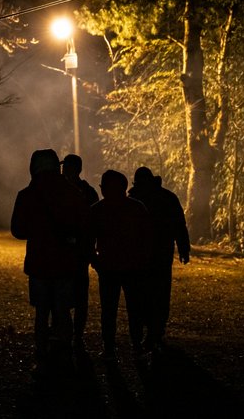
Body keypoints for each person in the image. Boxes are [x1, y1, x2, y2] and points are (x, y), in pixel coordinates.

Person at [11, 149, 89, 375]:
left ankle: (42, 354)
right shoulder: (72, 193)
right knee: (63, 311)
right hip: (65, 262)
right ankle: (63, 354)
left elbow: (18, 230)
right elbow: (84, 226)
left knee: (41, 311)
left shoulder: (27, 195)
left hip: (38, 262)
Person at [88, 169, 154, 360]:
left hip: (109, 268)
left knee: (109, 309)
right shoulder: (137, 208)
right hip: (132, 268)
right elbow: (147, 239)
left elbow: (88, 240)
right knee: (134, 308)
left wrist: (95, 261)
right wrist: (144, 261)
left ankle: (109, 347)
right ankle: (136, 345)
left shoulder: (97, 210)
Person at [128, 166, 190, 354]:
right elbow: (180, 225)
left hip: (141, 255)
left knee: (142, 294)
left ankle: (149, 331)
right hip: (161, 254)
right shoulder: (167, 197)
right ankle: (156, 330)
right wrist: (183, 249)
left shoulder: (134, 198)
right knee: (160, 292)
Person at [60, 154, 99, 351]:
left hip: (72, 252)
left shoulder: (60, 192)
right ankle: (74, 333)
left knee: (69, 292)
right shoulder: (88, 192)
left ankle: (71, 332)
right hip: (78, 251)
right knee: (76, 293)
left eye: (65, 167)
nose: (63, 170)